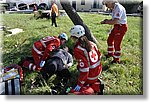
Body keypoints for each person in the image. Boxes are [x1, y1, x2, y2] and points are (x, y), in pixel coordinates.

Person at [69, 25, 104, 95]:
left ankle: (93, 88)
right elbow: (99, 56)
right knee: (79, 67)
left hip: (90, 77)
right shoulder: (92, 44)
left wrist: (80, 83)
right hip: (98, 72)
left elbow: (85, 70)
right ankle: (95, 85)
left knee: (73, 93)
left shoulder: (78, 49)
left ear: (75, 37)